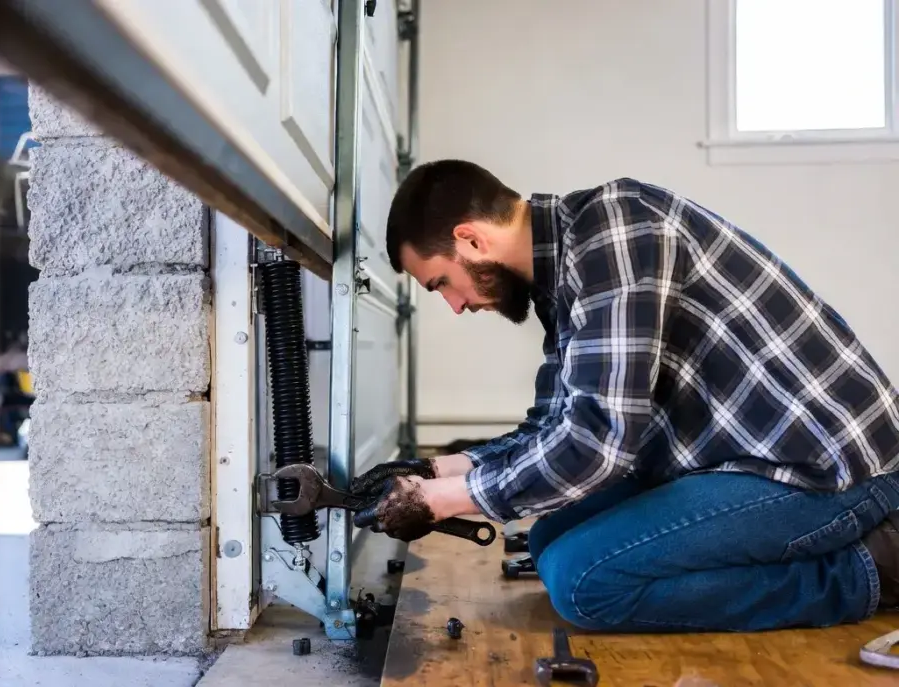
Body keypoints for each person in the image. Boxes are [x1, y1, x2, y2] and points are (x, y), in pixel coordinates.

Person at [351, 159, 899, 633]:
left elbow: (597, 444)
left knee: (584, 583)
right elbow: (551, 427)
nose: (455, 305)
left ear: (470, 239)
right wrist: (433, 470)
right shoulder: (563, 276)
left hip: (829, 468)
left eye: (441, 283)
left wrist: (443, 502)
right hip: (743, 456)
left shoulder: (613, 229)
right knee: (550, 543)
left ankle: (865, 570)